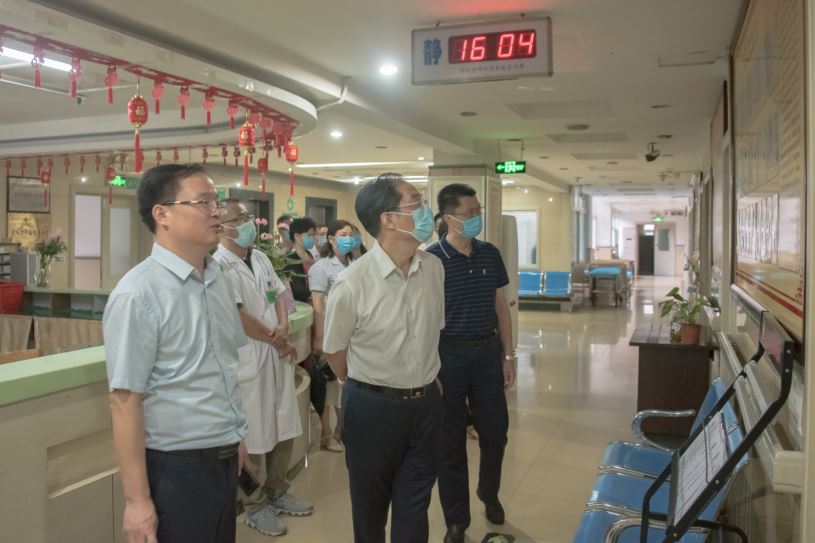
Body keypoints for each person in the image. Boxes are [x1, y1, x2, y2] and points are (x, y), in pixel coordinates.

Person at [104, 164, 249, 543]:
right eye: (203, 202)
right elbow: (124, 401)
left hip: (224, 458)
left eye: (216, 202)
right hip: (176, 468)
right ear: (162, 214)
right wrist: (137, 501)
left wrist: (237, 438)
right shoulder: (138, 294)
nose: (216, 212)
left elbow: (223, 368)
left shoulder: (217, 279)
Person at [323, 173, 445, 543]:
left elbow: (432, 333)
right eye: (416, 202)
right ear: (389, 219)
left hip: (426, 406)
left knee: (415, 508)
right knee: (370, 510)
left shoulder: (434, 268)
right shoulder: (353, 282)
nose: (426, 211)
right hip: (372, 409)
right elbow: (334, 350)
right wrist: (363, 383)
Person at [214, 200, 313, 537]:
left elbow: (280, 294)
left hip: (273, 352)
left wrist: (282, 326)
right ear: (222, 226)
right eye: (239, 218)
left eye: (248, 216)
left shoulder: (258, 257)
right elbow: (239, 318)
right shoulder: (218, 266)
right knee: (253, 439)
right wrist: (278, 341)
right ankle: (254, 506)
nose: (248, 222)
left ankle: (278, 492)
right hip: (249, 358)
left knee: (283, 428)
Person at [426, 184, 516, 543]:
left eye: (479, 211)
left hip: (486, 353)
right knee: (449, 444)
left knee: (496, 432)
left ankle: (489, 492)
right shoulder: (431, 261)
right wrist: (430, 370)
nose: (477, 217)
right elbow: (425, 320)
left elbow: (501, 308)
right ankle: (456, 521)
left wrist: (508, 356)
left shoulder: (489, 253)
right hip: (448, 355)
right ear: (449, 218)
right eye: (470, 212)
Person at [308, 219, 358, 453]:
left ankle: (342, 429)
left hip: (352, 334)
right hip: (330, 331)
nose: (349, 238)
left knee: (343, 387)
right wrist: (319, 338)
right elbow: (318, 305)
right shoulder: (321, 267)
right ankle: (327, 433)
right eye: (343, 234)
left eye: (351, 234)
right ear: (332, 239)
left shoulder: (356, 264)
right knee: (328, 387)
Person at [285, 217, 317, 303]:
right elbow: (299, 290)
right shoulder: (290, 259)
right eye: (309, 235)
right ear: (297, 236)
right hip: (303, 303)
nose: (313, 238)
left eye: (313, 235)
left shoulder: (311, 255)